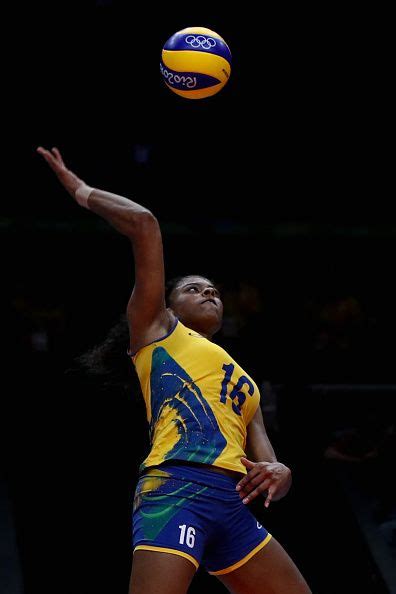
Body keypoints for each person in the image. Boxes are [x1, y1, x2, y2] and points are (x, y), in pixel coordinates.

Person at [37, 146, 311, 594]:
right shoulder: (156, 329)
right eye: (193, 288)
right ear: (168, 305)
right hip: (176, 485)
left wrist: (281, 473)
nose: (208, 292)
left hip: (232, 502)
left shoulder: (245, 380)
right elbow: (145, 224)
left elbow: (265, 461)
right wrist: (80, 189)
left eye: (214, 290)